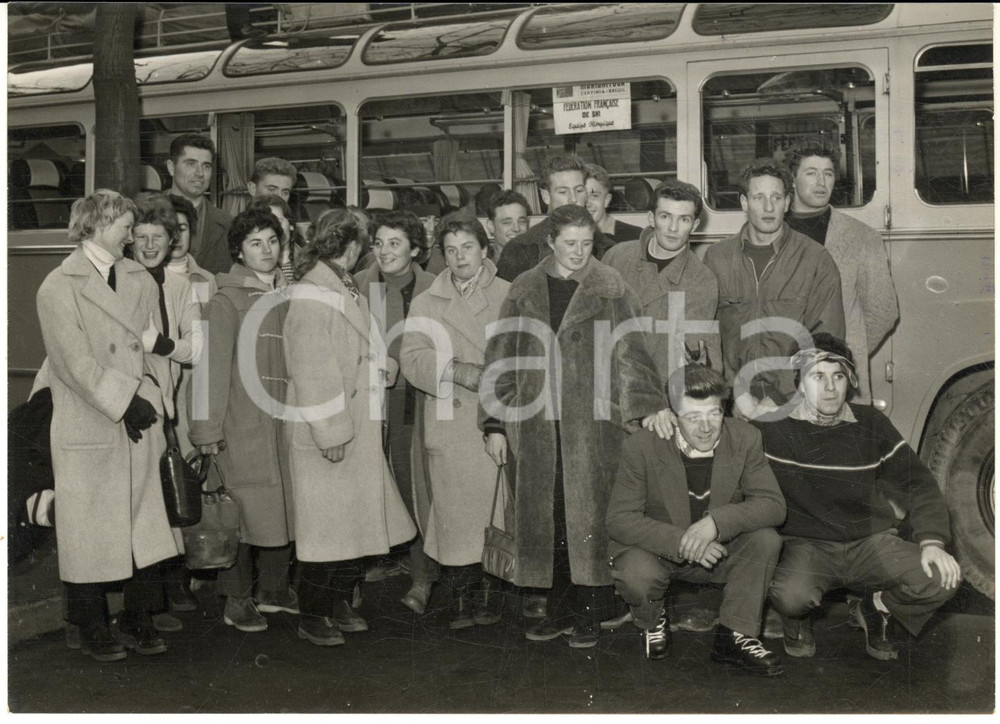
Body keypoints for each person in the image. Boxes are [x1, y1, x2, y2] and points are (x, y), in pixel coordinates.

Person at [480, 204, 667, 648]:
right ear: (550, 242)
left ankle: (592, 612)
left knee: (592, 519)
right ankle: (559, 608)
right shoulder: (524, 288)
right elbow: (501, 358)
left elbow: (634, 355)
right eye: (570, 244)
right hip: (536, 426)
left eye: (587, 243)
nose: (580, 252)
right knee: (551, 519)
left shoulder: (611, 287)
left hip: (594, 428)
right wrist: (494, 423)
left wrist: (642, 410)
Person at [37, 189, 179, 661]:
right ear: (100, 224)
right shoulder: (58, 287)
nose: (132, 234)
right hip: (91, 421)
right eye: (125, 226)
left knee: (143, 524)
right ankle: (90, 624)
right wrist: (124, 401)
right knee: (89, 531)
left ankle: (137, 618)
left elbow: (150, 347)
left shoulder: (138, 278)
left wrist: (151, 400)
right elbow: (73, 363)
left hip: (137, 418)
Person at [759, 334, 961, 661]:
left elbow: (919, 483)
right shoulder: (773, 427)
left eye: (838, 376)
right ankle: (794, 619)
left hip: (869, 543)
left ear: (849, 380)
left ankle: (875, 606)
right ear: (799, 383)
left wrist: (933, 543)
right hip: (809, 546)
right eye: (818, 376)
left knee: (943, 578)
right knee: (791, 595)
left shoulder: (870, 423)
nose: (830, 387)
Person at [283, 208, 417, 646]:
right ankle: (313, 613)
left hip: (356, 425)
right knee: (326, 530)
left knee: (348, 526)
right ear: (353, 245)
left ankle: (338, 602)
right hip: (332, 432)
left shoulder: (343, 286)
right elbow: (311, 370)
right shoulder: (312, 293)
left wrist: (386, 365)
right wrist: (332, 433)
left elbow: (364, 346)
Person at [607, 364, 786, 674]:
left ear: (724, 409)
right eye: (692, 417)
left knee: (766, 539)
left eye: (713, 414)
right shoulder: (642, 446)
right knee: (635, 570)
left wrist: (715, 524)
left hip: (721, 552)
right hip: (661, 554)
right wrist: (685, 542)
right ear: (672, 416)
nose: (706, 427)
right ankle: (652, 617)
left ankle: (735, 635)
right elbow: (619, 519)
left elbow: (773, 505)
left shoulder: (745, 437)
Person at [188, 207, 297, 634]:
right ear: (239, 251)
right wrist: (207, 430)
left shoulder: (287, 295)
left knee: (277, 507)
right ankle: (236, 600)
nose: (266, 250)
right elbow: (210, 371)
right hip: (240, 424)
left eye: (272, 241)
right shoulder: (226, 300)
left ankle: (273, 589)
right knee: (241, 514)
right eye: (255, 243)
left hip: (283, 424)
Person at [400, 219, 511, 629]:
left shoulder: (509, 295)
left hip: (494, 419)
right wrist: (457, 370)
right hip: (448, 416)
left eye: (468, 247)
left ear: (486, 250)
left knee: (492, 510)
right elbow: (411, 358)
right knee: (453, 514)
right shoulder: (427, 301)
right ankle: (462, 595)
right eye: (451, 249)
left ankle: (490, 593)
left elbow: (522, 355)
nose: (460, 256)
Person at [703, 158, 845, 420]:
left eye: (776, 198)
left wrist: (781, 398)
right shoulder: (717, 259)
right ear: (744, 203)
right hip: (732, 404)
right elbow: (707, 337)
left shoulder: (815, 259)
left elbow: (825, 340)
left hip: (794, 402)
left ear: (787, 203)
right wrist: (735, 395)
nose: (768, 207)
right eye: (758, 198)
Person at [355, 210, 440, 607]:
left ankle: (422, 575)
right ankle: (380, 559)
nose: (384, 251)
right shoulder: (356, 287)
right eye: (379, 243)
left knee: (413, 482)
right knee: (370, 481)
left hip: (416, 400)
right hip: (369, 399)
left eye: (395, 243)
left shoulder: (433, 289)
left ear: (416, 249)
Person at [130, 192, 206, 628]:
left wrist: (159, 344)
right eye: (140, 236)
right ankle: (137, 610)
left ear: (172, 238)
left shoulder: (180, 287)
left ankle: (148, 606)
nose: (149, 245)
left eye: (157, 236)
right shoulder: (120, 280)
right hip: (128, 409)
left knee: (157, 507)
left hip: (164, 410)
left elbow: (194, 350)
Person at [784, 141, 899, 403]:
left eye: (828, 173)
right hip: (781, 379)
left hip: (839, 383)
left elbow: (883, 310)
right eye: (811, 173)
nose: (821, 181)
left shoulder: (862, 237)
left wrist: (843, 353)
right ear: (792, 179)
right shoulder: (771, 233)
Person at [603, 180, 721, 379]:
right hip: (611, 380)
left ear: (695, 225)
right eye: (665, 217)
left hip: (662, 387)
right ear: (651, 218)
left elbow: (693, 355)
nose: (673, 228)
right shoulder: (617, 257)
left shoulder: (702, 280)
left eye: (684, 219)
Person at [496, 156, 614, 282]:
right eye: (563, 192)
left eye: (579, 190)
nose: (573, 199)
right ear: (546, 196)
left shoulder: (607, 249)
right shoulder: (519, 249)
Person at [166, 134, 233, 275]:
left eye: (206, 166)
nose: (200, 173)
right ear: (171, 167)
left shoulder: (229, 224)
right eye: (191, 164)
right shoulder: (143, 214)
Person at [584, 164, 643, 243]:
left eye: (594, 196)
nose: (587, 203)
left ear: (606, 200)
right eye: (583, 197)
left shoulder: (635, 236)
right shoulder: (568, 237)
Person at [248, 194, 300, 283]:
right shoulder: (252, 267)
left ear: (290, 224)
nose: (275, 229)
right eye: (266, 224)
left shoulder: (310, 261)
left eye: (278, 222)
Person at [485, 189, 530, 260]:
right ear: (491, 226)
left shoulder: (538, 261)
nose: (516, 228)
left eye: (522, 221)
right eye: (507, 222)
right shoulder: (481, 263)